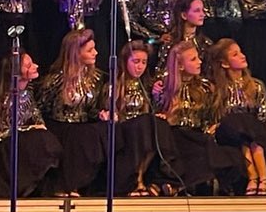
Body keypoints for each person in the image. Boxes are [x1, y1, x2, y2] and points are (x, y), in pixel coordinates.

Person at [0, 49, 62, 198]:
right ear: (16, 73)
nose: (36, 66)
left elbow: (35, 115)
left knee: (46, 140)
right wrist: (28, 129)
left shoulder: (27, 94)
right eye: (29, 65)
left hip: (16, 142)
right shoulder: (4, 100)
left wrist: (38, 127)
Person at [158, 40, 242, 195]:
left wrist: (210, 130)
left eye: (198, 57)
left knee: (215, 152)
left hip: (199, 135)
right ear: (180, 66)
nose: (199, 62)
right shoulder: (164, 89)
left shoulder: (206, 88)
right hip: (175, 137)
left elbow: (214, 118)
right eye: (193, 59)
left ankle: (180, 186)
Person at [207, 38, 266, 195]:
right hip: (228, 135)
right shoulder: (216, 89)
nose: (243, 56)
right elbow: (216, 118)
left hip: (256, 136)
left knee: (248, 132)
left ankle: (254, 177)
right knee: (238, 123)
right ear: (224, 64)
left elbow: (263, 117)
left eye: (241, 52)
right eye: (235, 54)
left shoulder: (256, 86)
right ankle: (262, 178)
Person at [37, 29, 108, 202]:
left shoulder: (96, 78)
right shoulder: (55, 80)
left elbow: (91, 109)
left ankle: (77, 184)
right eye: (90, 50)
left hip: (82, 124)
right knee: (76, 137)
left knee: (92, 134)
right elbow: (40, 106)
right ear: (76, 53)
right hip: (59, 124)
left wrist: (101, 113)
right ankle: (63, 185)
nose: (96, 53)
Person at [105, 40, 176, 196]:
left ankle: (146, 176)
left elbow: (153, 109)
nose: (140, 67)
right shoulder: (114, 85)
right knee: (144, 126)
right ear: (125, 62)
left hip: (143, 129)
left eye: (144, 62)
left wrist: (157, 100)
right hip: (123, 129)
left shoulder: (147, 85)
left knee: (157, 125)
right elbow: (106, 110)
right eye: (136, 62)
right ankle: (133, 180)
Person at [155, 0, 213, 74]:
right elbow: (161, 72)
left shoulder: (205, 44)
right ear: (184, 15)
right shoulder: (169, 42)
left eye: (202, 10)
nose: (202, 14)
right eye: (197, 11)